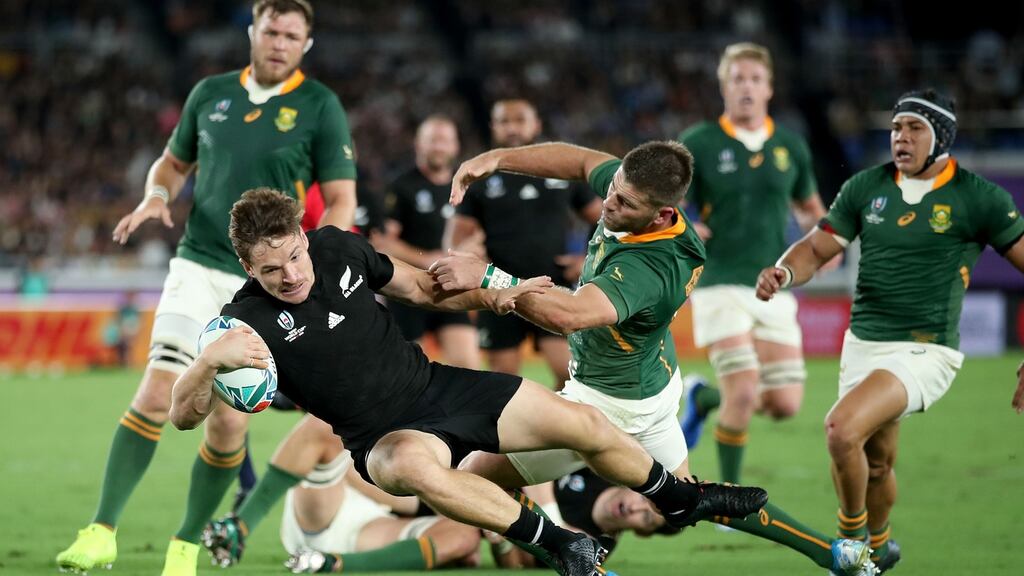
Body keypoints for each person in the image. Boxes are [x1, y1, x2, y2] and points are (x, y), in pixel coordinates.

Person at [170, 187, 768, 576]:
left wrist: (499, 296)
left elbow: (427, 290)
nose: (292, 275)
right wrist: (205, 364)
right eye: (271, 270)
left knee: (585, 423)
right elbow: (184, 416)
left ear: (304, 237)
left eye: (294, 257)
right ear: (247, 267)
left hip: (439, 387)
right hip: (381, 439)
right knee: (415, 470)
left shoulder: (338, 249)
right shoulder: (243, 325)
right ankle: (563, 545)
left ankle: (682, 499)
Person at [431, 140, 874, 576]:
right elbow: (583, 161)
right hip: (653, 388)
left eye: (622, 201)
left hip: (606, 404)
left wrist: (487, 277)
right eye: (612, 189)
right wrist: (497, 159)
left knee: (476, 475)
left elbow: (569, 316)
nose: (607, 204)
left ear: (662, 214)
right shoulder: (637, 191)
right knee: (686, 501)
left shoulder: (657, 264)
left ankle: (572, 553)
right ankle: (833, 552)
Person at [56, 2, 358, 575]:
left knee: (229, 421)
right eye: (272, 30)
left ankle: (186, 547)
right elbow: (173, 164)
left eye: (293, 36)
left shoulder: (320, 106)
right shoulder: (210, 93)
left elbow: (341, 196)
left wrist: (315, 257)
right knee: (154, 390)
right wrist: (157, 196)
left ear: (306, 46)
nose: (280, 42)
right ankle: (99, 532)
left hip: (263, 283)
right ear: (253, 32)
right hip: (198, 263)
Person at [756, 89, 1024, 573]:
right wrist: (784, 272)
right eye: (896, 128)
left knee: (840, 430)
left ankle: (850, 544)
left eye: (914, 128)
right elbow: (817, 250)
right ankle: (880, 548)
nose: (901, 137)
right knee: (875, 462)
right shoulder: (866, 186)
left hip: (926, 350)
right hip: (863, 343)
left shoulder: (979, 198)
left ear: (941, 136)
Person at [676, 43, 836, 487]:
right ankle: (728, 493)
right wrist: (683, 220)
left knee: (784, 404)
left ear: (769, 88)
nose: (746, 86)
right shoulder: (699, 142)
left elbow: (808, 207)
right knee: (744, 390)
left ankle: (704, 398)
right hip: (718, 281)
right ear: (724, 87)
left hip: (773, 282)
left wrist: (826, 241)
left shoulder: (790, 146)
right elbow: (668, 203)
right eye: (737, 79)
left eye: (754, 79)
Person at [445, 99, 602, 387]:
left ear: (536, 125)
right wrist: (471, 249)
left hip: (550, 286)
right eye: (504, 121)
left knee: (571, 376)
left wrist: (586, 260)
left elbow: (604, 216)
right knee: (501, 382)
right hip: (499, 287)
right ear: (493, 126)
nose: (512, 128)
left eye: (519, 120)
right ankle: (512, 432)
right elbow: (457, 239)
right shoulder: (479, 174)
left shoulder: (559, 170)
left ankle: (555, 430)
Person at [380, 115, 480, 368]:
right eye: (433, 140)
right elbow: (383, 242)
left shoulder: (469, 188)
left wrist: (466, 252)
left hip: (449, 288)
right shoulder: (401, 187)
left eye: (445, 140)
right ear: (419, 144)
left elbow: (480, 233)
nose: (439, 146)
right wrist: (429, 259)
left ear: (456, 146)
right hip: (408, 288)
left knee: (468, 366)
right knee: (407, 372)